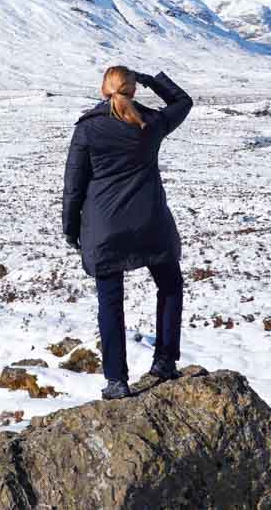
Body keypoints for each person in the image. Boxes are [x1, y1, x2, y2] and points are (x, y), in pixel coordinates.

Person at [61, 66, 194, 400]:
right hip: (151, 223)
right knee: (170, 285)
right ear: (133, 90)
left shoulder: (88, 129)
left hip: (105, 229)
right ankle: (164, 361)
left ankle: (116, 381)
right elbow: (183, 101)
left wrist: (70, 229)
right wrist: (152, 80)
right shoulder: (151, 123)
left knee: (110, 302)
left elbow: (73, 186)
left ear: (103, 89)